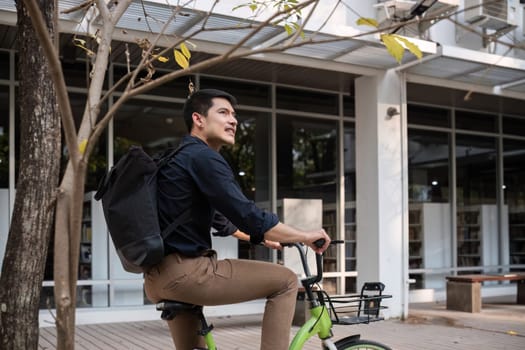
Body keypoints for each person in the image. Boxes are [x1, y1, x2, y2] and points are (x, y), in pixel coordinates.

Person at [144, 88, 331, 350]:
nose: (233, 120)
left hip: (157, 278)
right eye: (223, 113)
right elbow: (247, 214)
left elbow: (222, 220)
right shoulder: (204, 157)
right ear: (198, 119)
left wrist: (263, 239)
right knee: (286, 280)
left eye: (234, 115)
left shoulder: (176, 158)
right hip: (189, 274)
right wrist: (304, 235)